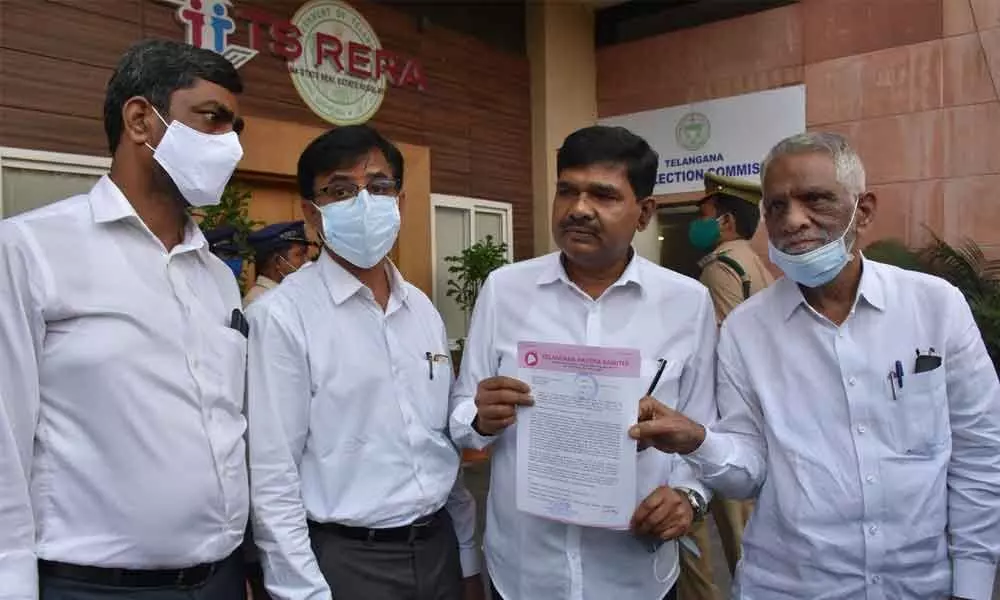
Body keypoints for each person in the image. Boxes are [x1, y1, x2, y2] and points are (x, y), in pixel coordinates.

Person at [630, 132, 1000, 600]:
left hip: (919, 585)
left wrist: (972, 585)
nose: (794, 220)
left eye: (815, 200)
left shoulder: (935, 307)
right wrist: (700, 441)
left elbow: (981, 453)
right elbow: (749, 470)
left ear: (862, 210)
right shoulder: (747, 331)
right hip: (790, 586)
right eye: (777, 206)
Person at [0, 39, 249, 600]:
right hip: (95, 587)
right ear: (141, 119)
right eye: (213, 119)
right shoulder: (29, 250)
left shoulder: (216, 275)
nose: (231, 146)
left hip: (221, 578)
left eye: (236, 130)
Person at [449, 125, 718, 600]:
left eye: (603, 195)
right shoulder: (504, 290)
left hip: (634, 575)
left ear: (645, 212)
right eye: (567, 190)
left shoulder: (687, 303)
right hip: (525, 575)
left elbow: (705, 433)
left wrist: (688, 498)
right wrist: (481, 418)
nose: (578, 209)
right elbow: (460, 419)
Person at [246, 124, 483, 600]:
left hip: (437, 548)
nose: (364, 201)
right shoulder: (283, 316)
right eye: (341, 190)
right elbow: (273, 476)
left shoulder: (421, 308)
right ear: (312, 213)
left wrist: (466, 555)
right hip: (348, 564)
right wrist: (302, 593)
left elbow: (439, 445)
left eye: (378, 187)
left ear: (400, 202)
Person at [679, 172, 773, 600]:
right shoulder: (756, 263)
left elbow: (726, 348)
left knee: (703, 526)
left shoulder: (721, 269)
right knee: (744, 530)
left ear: (726, 222)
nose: (696, 224)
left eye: (704, 215)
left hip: (722, 418)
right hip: (755, 412)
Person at [243, 220, 311, 306]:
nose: (306, 261)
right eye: (300, 254)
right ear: (277, 261)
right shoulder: (258, 301)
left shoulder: (287, 294)